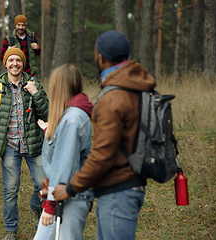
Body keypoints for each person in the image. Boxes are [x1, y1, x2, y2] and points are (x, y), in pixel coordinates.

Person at [52, 30, 157, 240]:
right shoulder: (135, 88)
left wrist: (71, 188)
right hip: (130, 185)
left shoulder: (113, 98)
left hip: (118, 191)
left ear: (101, 57)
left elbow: (103, 154)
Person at [0, 47, 48, 240]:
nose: (14, 64)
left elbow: (46, 115)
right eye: (10, 60)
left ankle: (36, 207)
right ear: (5, 64)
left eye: (18, 60)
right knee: (11, 189)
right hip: (10, 146)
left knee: (43, 184)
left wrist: (35, 93)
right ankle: (11, 229)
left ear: (23, 63)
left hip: (34, 145)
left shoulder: (35, 85)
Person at [33, 64, 94, 240]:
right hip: (62, 196)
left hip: (69, 198)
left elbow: (63, 166)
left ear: (57, 86)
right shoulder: (69, 117)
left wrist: (50, 206)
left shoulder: (72, 119)